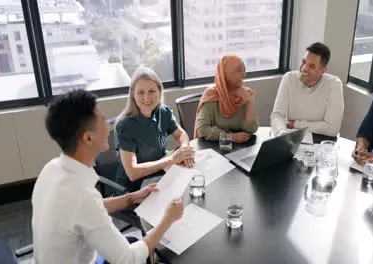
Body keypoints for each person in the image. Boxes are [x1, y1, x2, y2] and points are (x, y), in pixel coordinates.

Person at [32, 90, 184, 264]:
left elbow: (81, 210)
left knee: (137, 243)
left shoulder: (51, 170)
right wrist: (168, 219)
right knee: (144, 249)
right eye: (102, 120)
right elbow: (129, 259)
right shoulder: (82, 196)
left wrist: (130, 198)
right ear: (88, 138)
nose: (108, 126)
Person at [115, 67, 195, 192]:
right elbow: (132, 172)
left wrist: (184, 150)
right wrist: (172, 159)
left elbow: (181, 134)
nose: (147, 98)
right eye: (141, 92)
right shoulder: (124, 125)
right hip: (135, 190)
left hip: (160, 177)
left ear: (159, 91)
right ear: (133, 94)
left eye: (152, 91)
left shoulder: (163, 111)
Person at [271, 42, 344, 137]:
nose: (304, 68)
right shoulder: (289, 78)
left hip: (322, 141)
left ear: (322, 71)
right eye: (304, 62)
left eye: (311, 66)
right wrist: (281, 133)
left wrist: (296, 124)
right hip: (292, 136)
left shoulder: (334, 84)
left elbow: (332, 129)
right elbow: (277, 115)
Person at [195, 55, 258, 143]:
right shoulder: (211, 95)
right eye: (238, 70)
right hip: (214, 148)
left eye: (244, 70)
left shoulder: (247, 94)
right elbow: (203, 130)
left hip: (240, 148)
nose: (244, 75)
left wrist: (250, 102)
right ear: (226, 73)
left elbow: (251, 130)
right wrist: (230, 137)